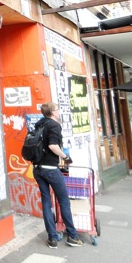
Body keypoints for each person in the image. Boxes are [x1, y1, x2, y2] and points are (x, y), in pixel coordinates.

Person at [32, 102, 84, 249]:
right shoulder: (54, 125)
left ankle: (52, 238)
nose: (59, 111)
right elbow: (52, 146)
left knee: (46, 202)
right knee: (64, 201)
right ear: (53, 112)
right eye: (58, 109)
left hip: (37, 168)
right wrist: (65, 157)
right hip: (50, 169)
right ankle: (73, 236)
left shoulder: (39, 124)